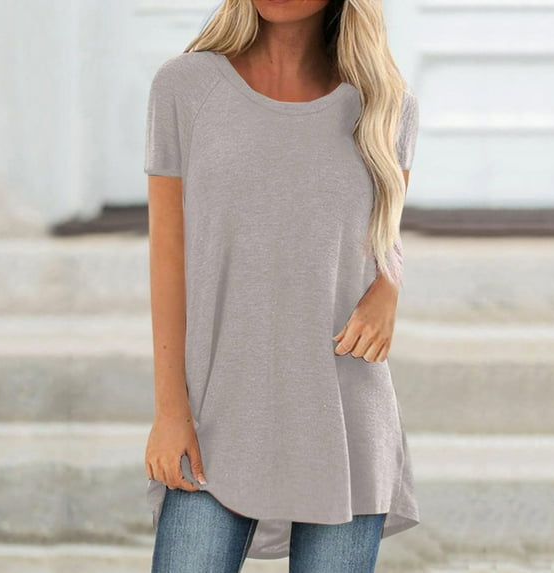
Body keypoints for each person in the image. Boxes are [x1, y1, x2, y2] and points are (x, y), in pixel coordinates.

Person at [143, 0, 420, 571]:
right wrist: (171, 411)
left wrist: (390, 285)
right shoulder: (186, 87)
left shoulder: (386, 103)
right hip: (219, 413)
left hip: (346, 416)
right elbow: (168, 258)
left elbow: (384, 233)